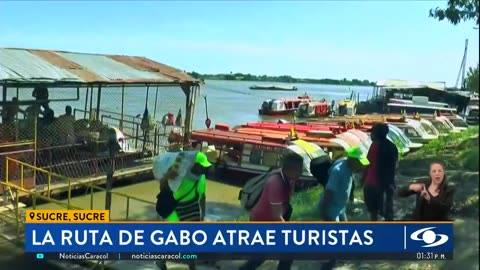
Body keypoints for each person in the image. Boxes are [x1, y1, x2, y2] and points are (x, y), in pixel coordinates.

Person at [239, 152, 304, 270]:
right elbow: (276, 217)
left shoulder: (289, 179)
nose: (301, 173)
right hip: (261, 222)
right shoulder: (276, 183)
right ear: (290, 169)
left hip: (270, 220)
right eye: (299, 170)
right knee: (260, 257)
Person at [153, 151, 211, 270]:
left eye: (205, 167)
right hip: (175, 210)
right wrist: (167, 176)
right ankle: (161, 260)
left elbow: (202, 195)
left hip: (193, 209)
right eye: (201, 166)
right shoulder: (178, 174)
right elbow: (163, 189)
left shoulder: (201, 178)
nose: (203, 169)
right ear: (193, 165)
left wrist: (203, 213)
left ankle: (192, 266)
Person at [318, 146, 369, 270]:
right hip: (331, 207)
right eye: (360, 163)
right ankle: (329, 263)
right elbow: (329, 191)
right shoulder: (339, 170)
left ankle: (341, 255)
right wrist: (325, 211)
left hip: (340, 206)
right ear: (352, 160)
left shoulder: (349, 167)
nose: (362, 167)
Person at [361, 123, 399, 221]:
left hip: (382, 186)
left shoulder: (389, 148)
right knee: (373, 211)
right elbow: (368, 162)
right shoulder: (374, 145)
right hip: (371, 185)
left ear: (377, 134)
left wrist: (389, 184)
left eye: (372, 133)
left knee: (385, 212)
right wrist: (363, 178)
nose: (370, 135)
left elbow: (392, 168)